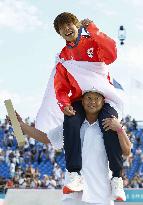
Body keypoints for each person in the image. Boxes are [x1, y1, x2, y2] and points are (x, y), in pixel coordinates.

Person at [7, 91, 131, 205]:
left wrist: (119, 129)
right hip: (73, 196)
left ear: (103, 102)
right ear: (82, 101)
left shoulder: (110, 126)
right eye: (88, 98)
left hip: (101, 195)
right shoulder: (71, 125)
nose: (92, 102)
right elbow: (46, 138)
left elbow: (126, 151)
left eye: (96, 98)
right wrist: (21, 125)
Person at [52, 12, 125, 200]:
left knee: (109, 124)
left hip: (104, 97)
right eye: (62, 27)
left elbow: (112, 54)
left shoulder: (92, 41)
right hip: (80, 100)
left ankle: (117, 178)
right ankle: (74, 174)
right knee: (71, 121)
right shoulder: (63, 57)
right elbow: (60, 87)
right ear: (60, 33)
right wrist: (64, 104)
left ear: (77, 25)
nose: (67, 29)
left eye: (69, 24)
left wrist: (94, 29)